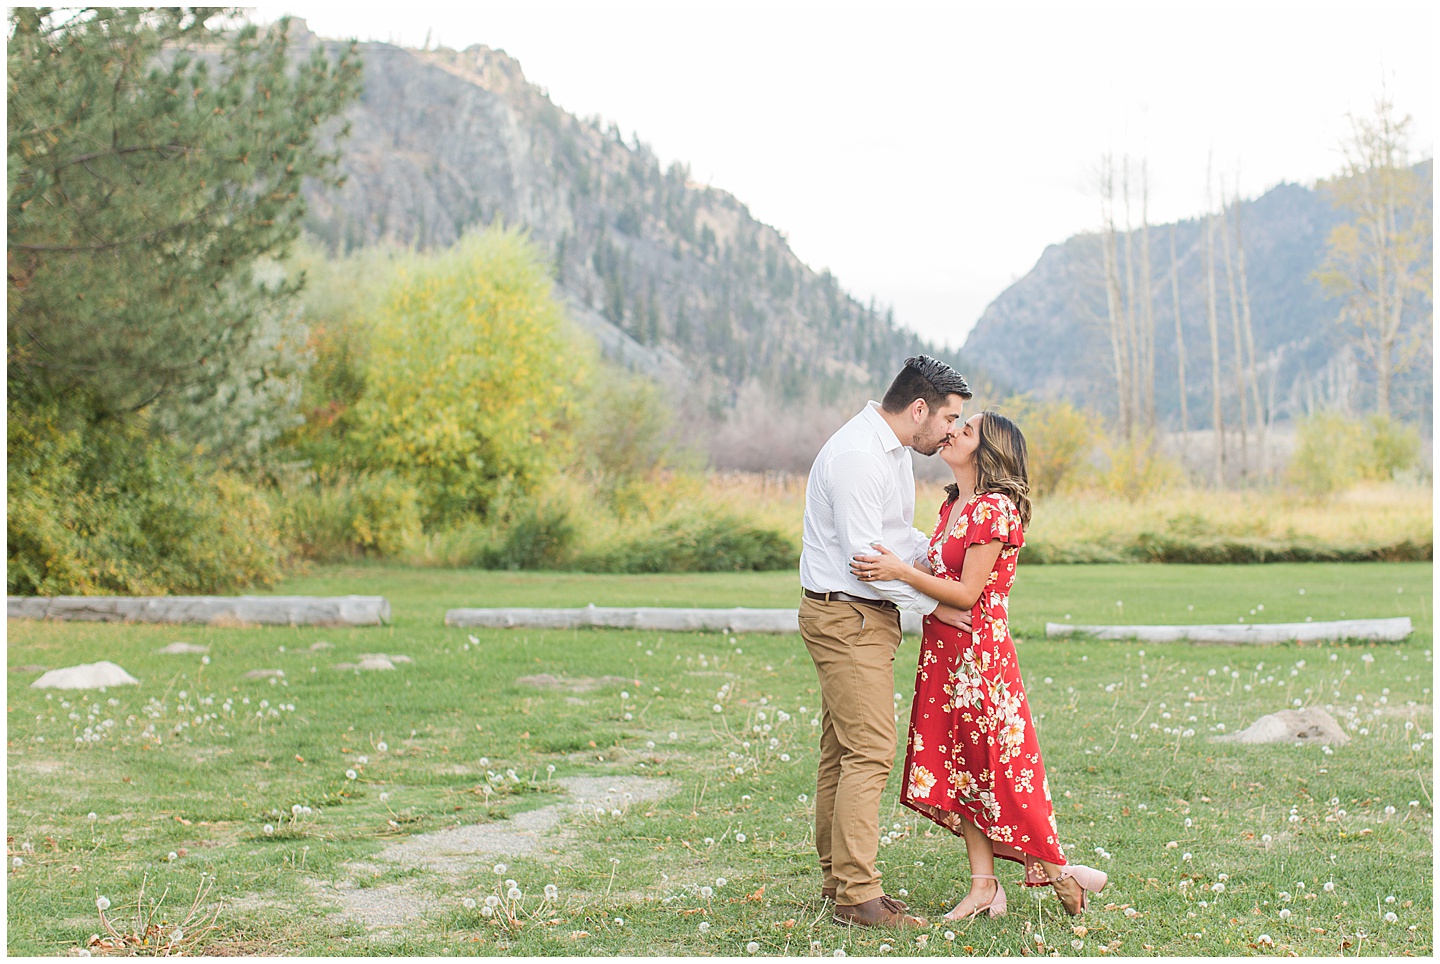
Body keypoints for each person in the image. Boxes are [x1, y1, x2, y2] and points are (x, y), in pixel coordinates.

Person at [850, 411, 1109, 920]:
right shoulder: (952, 504)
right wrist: (902, 568)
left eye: (965, 430)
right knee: (960, 768)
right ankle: (984, 886)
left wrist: (901, 571)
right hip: (943, 657)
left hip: (979, 657)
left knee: (1002, 769)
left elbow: (968, 594)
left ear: (986, 451)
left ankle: (1059, 871)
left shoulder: (995, 510)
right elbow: (935, 569)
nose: (952, 432)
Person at [798, 355, 974, 930]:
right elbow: (867, 561)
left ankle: (838, 881)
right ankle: (856, 894)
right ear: (918, 408)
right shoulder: (857, 456)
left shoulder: (892, 452)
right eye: (949, 417)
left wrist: (945, 562)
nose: (952, 430)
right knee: (870, 750)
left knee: (842, 752)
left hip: (861, 617)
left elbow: (898, 540)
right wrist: (941, 608)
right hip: (847, 616)